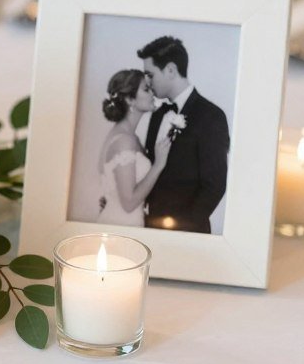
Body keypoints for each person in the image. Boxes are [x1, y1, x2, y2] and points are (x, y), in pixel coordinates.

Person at [138, 35, 230, 233]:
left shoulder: (211, 116)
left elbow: (215, 185)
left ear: (170, 70)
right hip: (150, 228)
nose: (147, 81)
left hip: (189, 234)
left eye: (150, 74)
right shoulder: (157, 114)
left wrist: (184, 227)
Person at [96, 70, 171, 227]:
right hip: (122, 225)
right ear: (130, 99)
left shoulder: (128, 136)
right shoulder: (124, 140)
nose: (153, 94)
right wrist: (158, 165)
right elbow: (129, 203)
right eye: (146, 89)